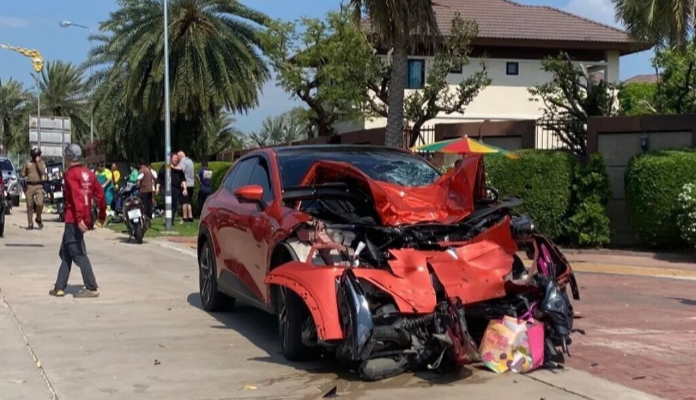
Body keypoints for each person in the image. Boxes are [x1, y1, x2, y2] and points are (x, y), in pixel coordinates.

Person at [49, 144, 106, 298]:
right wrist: (101, 216)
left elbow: (76, 197)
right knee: (66, 251)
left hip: (73, 219)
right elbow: (100, 195)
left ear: (68, 157)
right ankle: (59, 286)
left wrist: (79, 218)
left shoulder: (70, 174)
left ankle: (91, 287)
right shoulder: (89, 173)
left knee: (78, 253)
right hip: (82, 218)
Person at [21, 146, 47, 230]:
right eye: (35, 155)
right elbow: (22, 174)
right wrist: (23, 181)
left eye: (38, 155)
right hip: (29, 186)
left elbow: (43, 172)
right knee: (29, 205)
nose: (36, 156)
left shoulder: (42, 163)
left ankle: (38, 218)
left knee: (40, 203)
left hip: (39, 185)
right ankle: (30, 223)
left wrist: (38, 162)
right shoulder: (27, 163)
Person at [156, 154, 186, 222]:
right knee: (167, 202)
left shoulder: (179, 169)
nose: (176, 159)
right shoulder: (165, 167)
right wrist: (157, 187)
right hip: (165, 187)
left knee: (174, 204)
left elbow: (183, 179)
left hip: (176, 188)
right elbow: (159, 178)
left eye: (177, 158)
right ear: (171, 159)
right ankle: (167, 218)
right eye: (175, 158)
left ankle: (171, 220)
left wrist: (185, 189)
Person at [177, 151, 195, 222]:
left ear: (180, 156)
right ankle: (190, 216)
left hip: (185, 185)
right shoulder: (190, 161)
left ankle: (184, 217)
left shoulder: (182, 162)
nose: (177, 159)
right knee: (188, 201)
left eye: (178, 157)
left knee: (184, 201)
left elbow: (180, 172)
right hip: (191, 184)